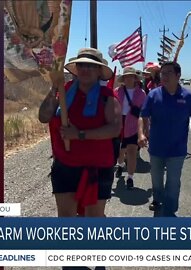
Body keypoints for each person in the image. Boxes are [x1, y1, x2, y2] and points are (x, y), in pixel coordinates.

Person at [38, 47, 122, 218]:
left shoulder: (108, 96)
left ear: (99, 71)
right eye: (82, 65)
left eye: (91, 66)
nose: (85, 69)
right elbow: (43, 117)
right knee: (66, 217)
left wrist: (79, 134)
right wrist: (54, 88)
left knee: (94, 218)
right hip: (65, 164)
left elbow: (114, 129)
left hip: (98, 167)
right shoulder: (64, 91)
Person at [138, 61, 191, 217]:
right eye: (163, 73)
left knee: (173, 183)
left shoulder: (188, 97)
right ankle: (157, 200)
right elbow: (143, 116)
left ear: (178, 76)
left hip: (177, 150)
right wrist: (141, 134)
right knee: (156, 180)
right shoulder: (153, 95)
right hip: (156, 148)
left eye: (169, 72)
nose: (164, 76)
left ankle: (169, 212)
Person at [114, 67, 147, 189]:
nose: (129, 78)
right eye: (126, 76)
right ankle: (121, 164)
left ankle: (130, 177)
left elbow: (144, 112)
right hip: (119, 124)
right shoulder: (118, 91)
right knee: (120, 151)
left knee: (132, 151)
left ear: (135, 78)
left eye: (131, 76)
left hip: (134, 124)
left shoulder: (141, 93)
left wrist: (144, 130)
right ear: (124, 79)